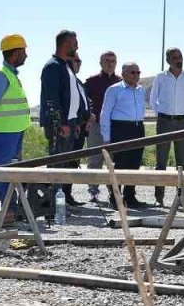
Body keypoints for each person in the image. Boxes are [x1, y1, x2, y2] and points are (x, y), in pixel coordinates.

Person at [0, 34, 30, 203]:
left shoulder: (11, 75)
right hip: (3, 132)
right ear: (15, 54)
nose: (26, 56)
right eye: (23, 52)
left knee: (9, 171)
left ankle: (7, 207)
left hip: (13, 131)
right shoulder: (1, 76)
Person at [149, 47, 184, 207]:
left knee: (182, 161)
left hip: (183, 122)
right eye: (175, 57)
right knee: (161, 161)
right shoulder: (160, 77)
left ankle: (181, 198)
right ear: (168, 60)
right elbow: (153, 98)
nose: (179, 60)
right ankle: (159, 198)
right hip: (164, 122)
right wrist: (162, 114)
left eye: (180, 57)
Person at [40, 30, 80, 217]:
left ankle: (59, 203)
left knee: (64, 164)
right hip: (59, 126)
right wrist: (60, 123)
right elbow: (52, 98)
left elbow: (72, 96)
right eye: (74, 44)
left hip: (69, 124)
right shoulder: (52, 67)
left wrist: (75, 121)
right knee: (57, 164)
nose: (77, 46)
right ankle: (52, 205)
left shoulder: (66, 66)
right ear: (65, 44)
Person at [99, 61, 149, 208]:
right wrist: (106, 138)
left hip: (137, 128)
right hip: (120, 129)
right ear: (123, 74)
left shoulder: (140, 90)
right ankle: (115, 197)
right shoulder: (114, 90)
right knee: (120, 164)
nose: (136, 75)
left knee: (135, 163)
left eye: (138, 72)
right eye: (133, 72)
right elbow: (105, 113)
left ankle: (130, 196)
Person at [82, 51, 121, 204]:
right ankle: (93, 192)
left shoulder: (120, 81)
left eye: (113, 61)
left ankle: (114, 192)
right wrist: (89, 116)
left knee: (114, 160)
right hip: (97, 126)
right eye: (107, 60)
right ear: (101, 63)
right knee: (94, 160)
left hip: (115, 127)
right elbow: (84, 101)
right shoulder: (92, 82)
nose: (110, 63)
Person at [61, 54, 91, 204]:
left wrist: (88, 117)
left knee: (73, 162)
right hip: (71, 127)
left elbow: (84, 103)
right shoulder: (68, 81)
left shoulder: (78, 82)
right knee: (64, 163)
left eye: (80, 61)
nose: (79, 63)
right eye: (76, 60)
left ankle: (67, 194)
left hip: (80, 128)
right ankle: (58, 197)